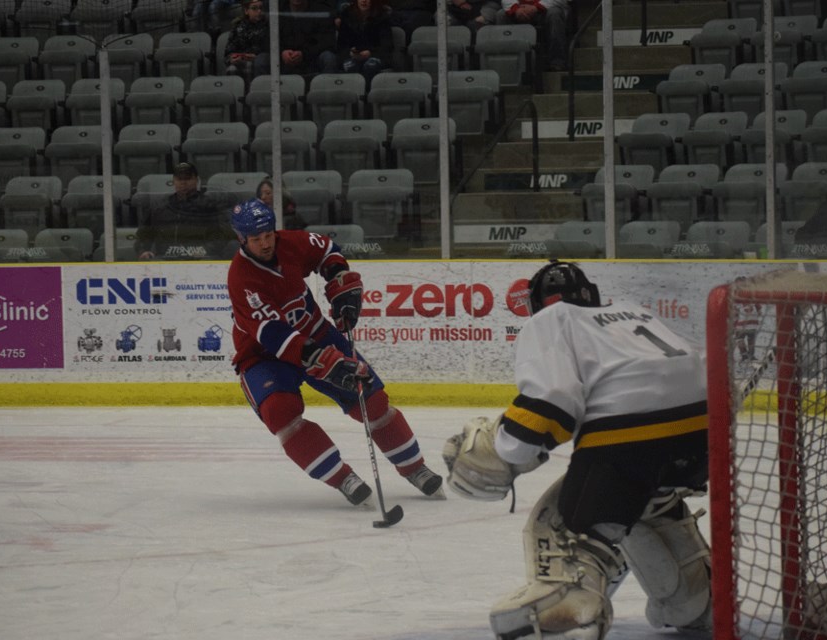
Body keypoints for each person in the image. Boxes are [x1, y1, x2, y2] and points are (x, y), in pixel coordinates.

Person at [443, 261, 711, 640]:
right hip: (705, 434)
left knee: (566, 525)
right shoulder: (635, 311)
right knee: (648, 502)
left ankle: (568, 610)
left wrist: (501, 452)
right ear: (593, 295)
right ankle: (697, 597)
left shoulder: (549, 321)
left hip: (632, 439)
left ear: (538, 305)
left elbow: (552, 403)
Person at [226, 198, 445, 506]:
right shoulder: (241, 279)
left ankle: (416, 468)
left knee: (372, 400)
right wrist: (318, 358)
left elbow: (327, 250)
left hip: (316, 333)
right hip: (265, 357)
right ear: (241, 239)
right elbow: (273, 334)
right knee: (280, 412)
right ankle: (344, 478)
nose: (265, 243)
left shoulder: (290, 242)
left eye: (268, 235)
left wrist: (339, 279)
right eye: (256, 239)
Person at [135, 162, 232, 260]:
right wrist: (143, 250)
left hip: (201, 260)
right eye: (179, 179)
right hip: (165, 260)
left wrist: (203, 252)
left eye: (188, 178)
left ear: (196, 180)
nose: (183, 183)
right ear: (173, 181)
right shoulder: (160, 207)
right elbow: (144, 235)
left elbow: (221, 236)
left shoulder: (211, 206)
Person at [496, 0, 570, 71]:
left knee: (555, 13)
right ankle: (506, 62)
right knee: (501, 14)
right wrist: (516, 9)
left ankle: (557, 63)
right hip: (520, 10)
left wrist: (536, 8)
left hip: (545, 10)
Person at [336, 0, 394, 84]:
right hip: (352, 55)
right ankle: (354, 94)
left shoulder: (382, 16)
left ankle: (367, 94)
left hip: (377, 54)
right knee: (350, 66)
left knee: (370, 66)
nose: (364, 1)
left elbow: (387, 45)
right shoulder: (347, 15)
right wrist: (350, 53)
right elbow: (341, 45)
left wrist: (370, 53)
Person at [278, 0, 339, 75]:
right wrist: (282, 52)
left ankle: (328, 86)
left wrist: (304, 54)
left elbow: (327, 41)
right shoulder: (278, 10)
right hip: (283, 59)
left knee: (329, 58)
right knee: (262, 60)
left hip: (312, 58)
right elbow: (267, 39)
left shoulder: (320, 10)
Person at [224, 0, 272, 80]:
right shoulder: (238, 27)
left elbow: (270, 48)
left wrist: (255, 56)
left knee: (255, 64)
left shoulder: (268, 25)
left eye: (261, 8)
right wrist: (232, 58)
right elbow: (228, 52)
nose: (259, 11)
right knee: (232, 69)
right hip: (241, 61)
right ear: (246, 11)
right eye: (254, 8)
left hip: (261, 60)